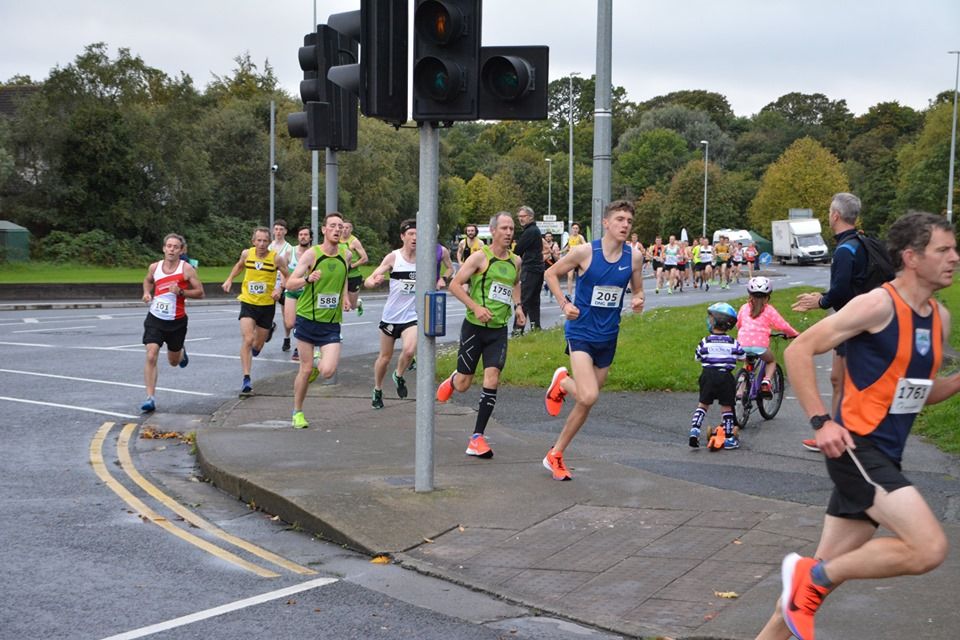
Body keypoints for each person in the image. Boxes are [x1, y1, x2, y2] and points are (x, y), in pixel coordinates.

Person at [755, 211, 959, 640]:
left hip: (887, 456)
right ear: (911, 257)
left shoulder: (938, 319)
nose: (954, 258)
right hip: (855, 449)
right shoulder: (877, 304)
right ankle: (811, 576)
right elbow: (800, 351)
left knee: (802, 601)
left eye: (954, 249)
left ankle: (806, 583)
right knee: (928, 548)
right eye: (943, 249)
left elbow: (919, 392)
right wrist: (821, 421)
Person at [541, 199, 645, 481]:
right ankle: (561, 381)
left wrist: (638, 299)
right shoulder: (585, 252)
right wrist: (564, 304)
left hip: (608, 336)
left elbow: (638, 290)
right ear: (606, 223)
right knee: (588, 395)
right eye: (620, 220)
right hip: (581, 332)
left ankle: (556, 454)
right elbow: (550, 273)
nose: (625, 225)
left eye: (629, 222)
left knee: (586, 402)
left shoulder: (634, 257)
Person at [436, 212, 525, 459]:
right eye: (504, 228)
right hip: (474, 327)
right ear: (493, 231)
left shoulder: (515, 261)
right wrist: (475, 307)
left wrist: (518, 307)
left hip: (498, 330)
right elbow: (454, 285)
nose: (509, 233)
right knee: (465, 384)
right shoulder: (479, 257)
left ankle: (477, 438)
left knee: (492, 378)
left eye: (512, 229)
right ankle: (454, 380)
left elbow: (515, 284)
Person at [791, 192, 870, 452]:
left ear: (835, 215)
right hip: (855, 322)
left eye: (828, 211)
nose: (828, 215)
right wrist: (824, 298)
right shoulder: (859, 242)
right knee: (838, 379)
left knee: (847, 382)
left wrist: (821, 302)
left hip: (853, 325)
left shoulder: (846, 250)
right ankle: (835, 431)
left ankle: (840, 435)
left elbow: (840, 291)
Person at [285, 213, 352, 429]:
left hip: (331, 322)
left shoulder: (346, 254)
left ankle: (316, 368)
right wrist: (307, 279)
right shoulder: (312, 255)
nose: (337, 230)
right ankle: (297, 412)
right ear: (323, 230)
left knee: (328, 371)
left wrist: (344, 298)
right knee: (305, 369)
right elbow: (290, 283)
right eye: (332, 226)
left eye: (340, 227)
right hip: (307, 319)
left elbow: (343, 277)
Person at [140, 234, 204, 413]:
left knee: (174, 361)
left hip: (176, 321)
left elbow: (200, 292)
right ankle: (150, 397)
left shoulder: (187, 269)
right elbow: (148, 280)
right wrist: (147, 293)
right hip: (155, 318)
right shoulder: (155, 267)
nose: (171, 249)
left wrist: (181, 292)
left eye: (175, 247)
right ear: (163, 248)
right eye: (169, 246)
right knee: (151, 354)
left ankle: (181, 352)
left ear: (181, 250)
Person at [221, 227, 288, 397]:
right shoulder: (246, 254)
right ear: (253, 241)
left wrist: (279, 289)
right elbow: (239, 266)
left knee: (257, 346)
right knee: (248, 339)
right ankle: (246, 379)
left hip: (266, 305)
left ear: (269, 242)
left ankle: (268, 331)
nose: (262, 244)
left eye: (265, 241)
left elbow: (288, 276)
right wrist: (229, 279)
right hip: (248, 302)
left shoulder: (276, 259)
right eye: (259, 240)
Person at [364, 219, 418, 410]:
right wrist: (374, 281)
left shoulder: (424, 259)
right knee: (384, 358)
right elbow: (369, 279)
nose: (415, 237)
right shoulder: (394, 258)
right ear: (403, 236)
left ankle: (399, 375)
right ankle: (378, 389)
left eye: (418, 234)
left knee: (410, 350)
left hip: (411, 317)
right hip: (391, 317)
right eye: (411, 234)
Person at [689, 302, 745, 450]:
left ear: (713, 321)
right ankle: (728, 438)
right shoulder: (733, 343)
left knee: (703, 404)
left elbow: (698, 357)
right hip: (725, 377)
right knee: (726, 407)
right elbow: (742, 356)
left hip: (707, 376)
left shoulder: (705, 341)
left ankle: (694, 430)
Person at [737, 277, 799, 396]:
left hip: (742, 345)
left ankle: (740, 390)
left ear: (750, 294)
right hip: (760, 347)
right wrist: (794, 334)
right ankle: (766, 381)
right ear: (768, 296)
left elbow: (739, 324)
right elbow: (783, 326)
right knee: (771, 361)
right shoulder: (768, 310)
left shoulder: (744, 308)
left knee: (747, 364)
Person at [283, 226, 313, 362]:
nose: (303, 237)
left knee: (302, 321)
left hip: (306, 292)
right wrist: (283, 283)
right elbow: (283, 269)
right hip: (292, 291)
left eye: (306, 235)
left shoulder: (314, 253)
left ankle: (299, 348)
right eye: (301, 235)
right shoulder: (290, 252)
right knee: (289, 323)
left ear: (310, 238)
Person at [512, 205, 543, 336]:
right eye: (519, 217)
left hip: (530, 268)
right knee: (534, 300)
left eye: (523, 216)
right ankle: (536, 327)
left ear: (530, 217)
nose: (520, 219)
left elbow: (518, 249)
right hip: (538, 268)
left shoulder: (530, 231)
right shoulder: (535, 230)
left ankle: (517, 330)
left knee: (524, 300)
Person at [269, 219, 296, 352]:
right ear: (273, 231)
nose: (278, 232)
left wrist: (286, 282)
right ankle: (269, 326)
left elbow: (290, 268)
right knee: (267, 310)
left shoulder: (289, 248)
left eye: (281, 229)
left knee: (286, 314)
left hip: (283, 284)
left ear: (285, 231)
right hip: (269, 283)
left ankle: (287, 338)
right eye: (276, 229)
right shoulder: (268, 246)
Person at [339, 220, 369, 316]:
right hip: (341, 275)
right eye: (342, 227)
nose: (344, 230)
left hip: (353, 276)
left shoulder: (354, 241)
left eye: (347, 228)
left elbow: (365, 258)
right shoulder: (336, 239)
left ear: (351, 229)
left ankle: (358, 303)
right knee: (340, 302)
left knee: (351, 306)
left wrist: (352, 265)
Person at [562, 222, 586, 297]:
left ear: (578, 230)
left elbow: (585, 245)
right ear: (571, 229)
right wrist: (560, 251)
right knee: (570, 276)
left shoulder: (580, 237)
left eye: (576, 228)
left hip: (579, 259)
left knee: (580, 276)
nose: (575, 230)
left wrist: (579, 247)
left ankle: (580, 292)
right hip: (571, 259)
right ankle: (569, 294)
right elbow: (567, 247)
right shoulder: (569, 237)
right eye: (574, 228)